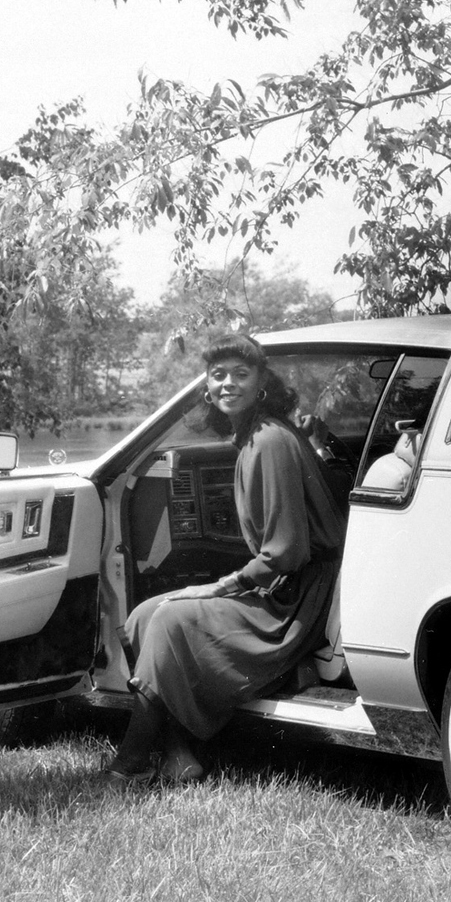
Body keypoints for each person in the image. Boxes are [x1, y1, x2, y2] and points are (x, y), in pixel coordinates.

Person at [103, 333, 346, 785]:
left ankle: (129, 763)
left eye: (241, 374)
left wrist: (219, 586)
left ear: (262, 383)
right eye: (218, 375)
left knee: (170, 619)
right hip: (281, 588)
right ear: (207, 386)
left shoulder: (269, 440)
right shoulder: (252, 436)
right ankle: (178, 754)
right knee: (143, 615)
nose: (227, 383)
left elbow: (287, 552)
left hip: (294, 602)